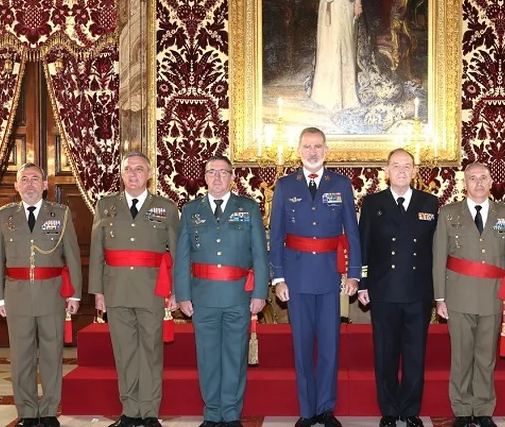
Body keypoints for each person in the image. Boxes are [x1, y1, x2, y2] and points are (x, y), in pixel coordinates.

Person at [269, 127, 362, 427]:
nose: (313, 152)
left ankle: (326, 408)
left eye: (318, 146)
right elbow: (276, 235)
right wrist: (278, 279)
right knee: (301, 347)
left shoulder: (341, 184)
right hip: (295, 277)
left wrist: (353, 275)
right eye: (307, 146)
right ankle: (307, 411)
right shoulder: (285, 185)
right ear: (299, 151)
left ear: (326, 151)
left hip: (330, 276)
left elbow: (352, 233)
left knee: (330, 347)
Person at [174, 155, 269, 427]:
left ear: (232, 177)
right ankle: (212, 413)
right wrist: (183, 295)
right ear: (204, 177)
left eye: (223, 172)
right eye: (211, 172)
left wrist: (259, 293)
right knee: (207, 357)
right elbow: (182, 257)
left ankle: (230, 414)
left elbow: (259, 254)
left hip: (238, 296)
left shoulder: (248, 208)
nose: (217, 177)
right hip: (202, 297)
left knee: (235, 357)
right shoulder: (191, 210)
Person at [88, 152, 180, 427]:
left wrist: (176, 291)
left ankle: (149, 411)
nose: (133, 173)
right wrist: (98, 292)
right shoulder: (106, 206)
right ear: (121, 173)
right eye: (128, 169)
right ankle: (130, 410)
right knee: (124, 351)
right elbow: (97, 252)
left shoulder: (165, 207)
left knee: (151, 351)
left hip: (152, 290)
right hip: (115, 289)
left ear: (149, 174)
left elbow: (176, 253)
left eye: (139, 169)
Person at [0, 162, 82, 427]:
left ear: (44, 185)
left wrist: (74, 295)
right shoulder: (4, 216)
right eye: (24, 179)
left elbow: (72, 256)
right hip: (16, 296)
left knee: (52, 354)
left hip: (52, 294)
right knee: (21, 356)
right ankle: (28, 411)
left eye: (35, 179)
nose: (29, 184)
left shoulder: (60, 214)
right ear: (16, 186)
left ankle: (49, 409)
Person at [433, 163, 505, 427]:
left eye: (483, 178)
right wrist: (439, 298)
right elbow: (439, 257)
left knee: (486, 357)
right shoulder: (449, 213)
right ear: (465, 183)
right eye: (473, 178)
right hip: (458, 296)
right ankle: (462, 410)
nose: (479, 183)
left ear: (492, 181)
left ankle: (483, 409)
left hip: (494, 296)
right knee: (461, 357)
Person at [358, 148, 438, 427]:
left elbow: (436, 250)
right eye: (396, 165)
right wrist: (363, 283)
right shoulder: (372, 203)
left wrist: (439, 291)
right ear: (386, 171)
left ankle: (411, 409)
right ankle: (390, 410)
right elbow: (363, 245)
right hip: (383, 290)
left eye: (407, 166)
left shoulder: (430, 202)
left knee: (415, 354)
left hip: (418, 290)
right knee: (385, 353)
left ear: (414, 172)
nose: (401, 170)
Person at [309, 0, 366, 110]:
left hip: (344, 4)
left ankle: (345, 94)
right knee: (327, 44)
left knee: (342, 42)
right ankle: (323, 92)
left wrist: (358, 4)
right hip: (327, 4)